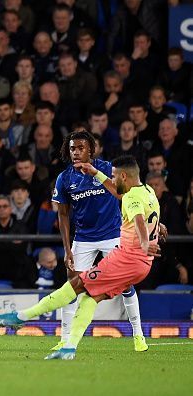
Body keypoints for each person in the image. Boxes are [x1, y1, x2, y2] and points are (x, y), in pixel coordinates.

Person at [0, 155, 162, 361]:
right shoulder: (148, 191)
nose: (112, 180)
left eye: (114, 176)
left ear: (124, 176)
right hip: (141, 264)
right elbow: (146, 215)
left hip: (127, 259)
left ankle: (20, 317)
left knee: (76, 285)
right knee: (90, 297)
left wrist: (143, 242)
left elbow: (139, 220)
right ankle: (69, 348)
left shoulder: (131, 197)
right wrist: (159, 228)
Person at [50, 130, 147, 352]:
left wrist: (154, 223)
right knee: (72, 286)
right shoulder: (64, 178)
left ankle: (138, 336)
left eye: (81, 148)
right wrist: (67, 249)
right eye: (73, 148)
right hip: (83, 239)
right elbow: (63, 215)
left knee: (126, 285)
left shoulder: (106, 169)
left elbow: (129, 197)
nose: (76, 152)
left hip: (113, 234)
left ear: (91, 150)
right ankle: (65, 339)